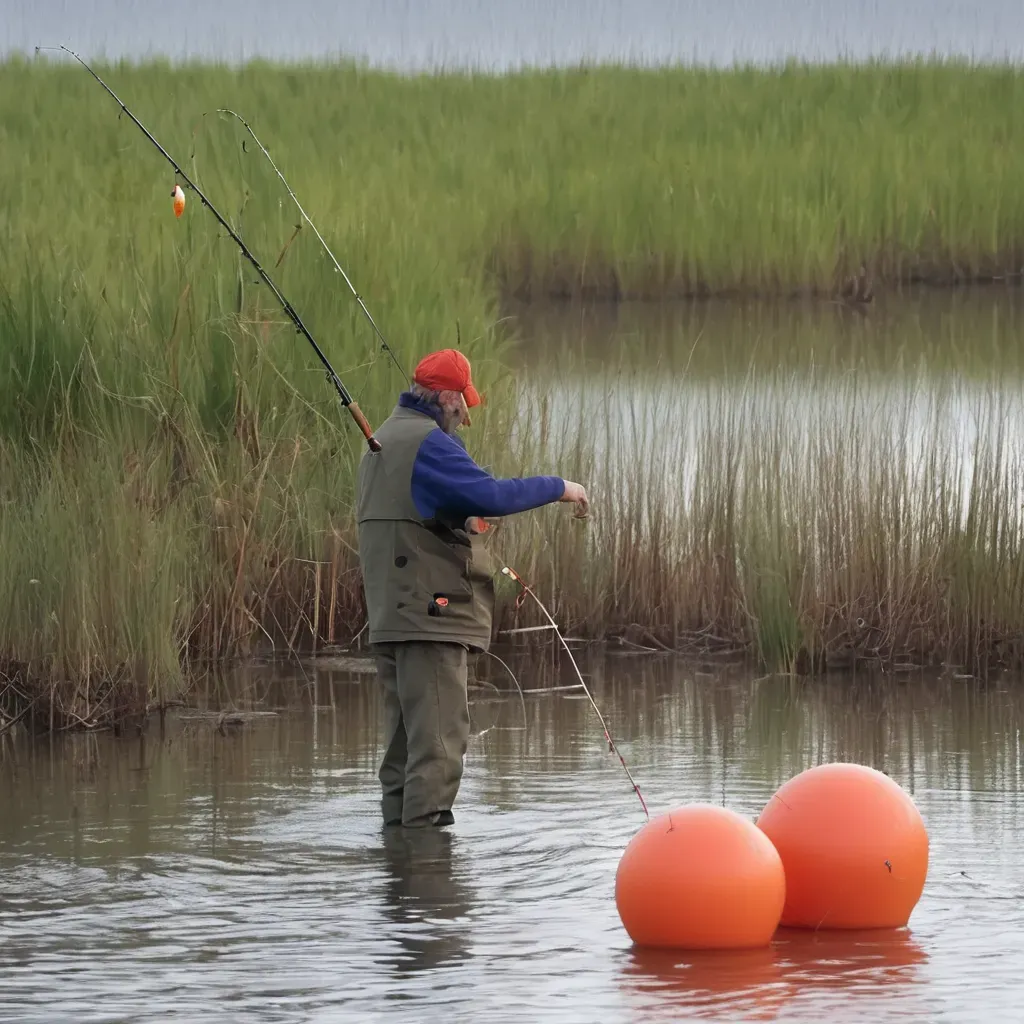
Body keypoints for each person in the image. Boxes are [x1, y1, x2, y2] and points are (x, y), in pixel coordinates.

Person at [355, 348, 588, 828]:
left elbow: (417, 513)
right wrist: (560, 486)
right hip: (430, 616)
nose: (465, 414)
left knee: (403, 751)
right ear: (444, 397)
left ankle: (399, 875)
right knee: (439, 746)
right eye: (462, 403)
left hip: (390, 617)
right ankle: (428, 879)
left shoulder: (380, 438)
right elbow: (493, 495)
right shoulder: (431, 444)